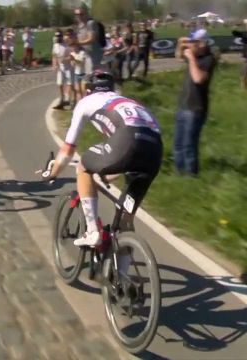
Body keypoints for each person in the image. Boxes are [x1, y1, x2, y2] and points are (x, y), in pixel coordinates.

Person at [43, 71, 162, 247]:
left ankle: (92, 232)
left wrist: (52, 173)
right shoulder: (128, 101)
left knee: (83, 166)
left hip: (127, 141)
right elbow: (132, 150)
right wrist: (108, 174)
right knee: (126, 220)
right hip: (155, 150)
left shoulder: (85, 102)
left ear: (87, 90)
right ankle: (122, 271)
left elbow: (68, 148)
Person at [174, 29, 216, 176]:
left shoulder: (208, 59)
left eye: (194, 43)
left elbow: (198, 79)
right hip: (183, 105)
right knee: (178, 144)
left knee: (189, 145)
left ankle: (191, 176)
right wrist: (180, 44)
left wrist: (191, 58)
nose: (190, 46)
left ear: (202, 44)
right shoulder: (195, 54)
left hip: (196, 108)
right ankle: (179, 173)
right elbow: (179, 56)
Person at [74, 6, 106, 72]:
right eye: (77, 14)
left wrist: (77, 43)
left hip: (95, 54)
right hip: (87, 54)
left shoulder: (91, 23)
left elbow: (92, 39)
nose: (79, 16)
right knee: (87, 75)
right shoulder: (79, 26)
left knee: (94, 75)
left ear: (85, 14)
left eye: (81, 14)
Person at [52, 30, 73, 110]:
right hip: (60, 67)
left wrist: (65, 59)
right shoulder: (55, 45)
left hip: (68, 66)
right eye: (56, 36)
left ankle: (68, 98)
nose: (57, 38)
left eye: (59, 36)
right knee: (60, 83)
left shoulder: (67, 44)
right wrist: (54, 65)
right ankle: (62, 98)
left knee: (69, 83)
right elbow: (54, 55)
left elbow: (72, 55)